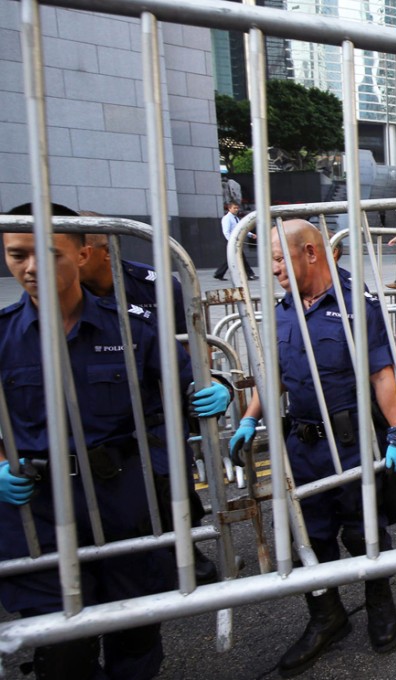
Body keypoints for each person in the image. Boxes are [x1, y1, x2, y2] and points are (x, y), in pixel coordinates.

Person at [0, 204, 232, 679]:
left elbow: (183, 388)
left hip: (125, 501)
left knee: (135, 633)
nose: (30, 268)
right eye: (16, 255)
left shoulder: (129, 329)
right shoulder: (3, 337)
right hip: (40, 513)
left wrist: (216, 391)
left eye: (46, 253)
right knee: (62, 649)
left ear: (82, 255)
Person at [229, 219, 396, 676]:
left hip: (351, 443)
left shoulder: (357, 304)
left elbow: (382, 376)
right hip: (301, 445)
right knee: (307, 537)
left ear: (310, 253)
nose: (271, 269)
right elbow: (270, 373)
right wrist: (250, 417)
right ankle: (326, 617)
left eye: (277, 258)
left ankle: (379, 603)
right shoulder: (283, 310)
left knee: (363, 531)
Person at [78, 227, 220, 585]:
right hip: (102, 424)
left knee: (176, 496)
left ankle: (189, 561)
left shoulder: (156, 286)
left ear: (101, 251)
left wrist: (207, 384)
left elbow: (193, 344)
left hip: (158, 418)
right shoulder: (64, 296)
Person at [213, 201, 256, 281]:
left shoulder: (236, 218)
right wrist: (231, 241)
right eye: (234, 208)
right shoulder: (226, 218)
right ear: (229, 208)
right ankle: (249, 274)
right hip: (231, 241)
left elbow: (242, 228)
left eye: (237, 208)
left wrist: (251, 235)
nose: (236, 209)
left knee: (232, 258)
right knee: (241, 257)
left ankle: (219, 273)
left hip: (236, 241)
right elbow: (226, 232)